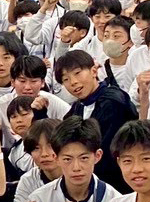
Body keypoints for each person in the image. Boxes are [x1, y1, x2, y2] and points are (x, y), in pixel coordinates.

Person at [55, 49, 138, 193]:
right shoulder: (78, 106)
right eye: (66, 79)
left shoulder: (113, 102)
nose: (73, 82)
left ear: (94, 71)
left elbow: (107, 149)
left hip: (119, 183)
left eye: (77, 73)